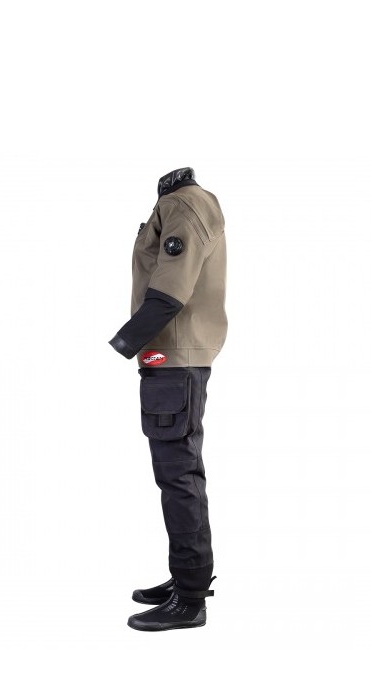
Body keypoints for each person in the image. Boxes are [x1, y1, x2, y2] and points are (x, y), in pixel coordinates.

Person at [108, 167, 228, 632]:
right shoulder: (182, 202)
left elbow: (169, 292)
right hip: (173, 355)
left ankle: (190, 598)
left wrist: (124, 342)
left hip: (173, 355)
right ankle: (186, 578)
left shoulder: (183, 203)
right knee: (178, 474)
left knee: (178, 475)